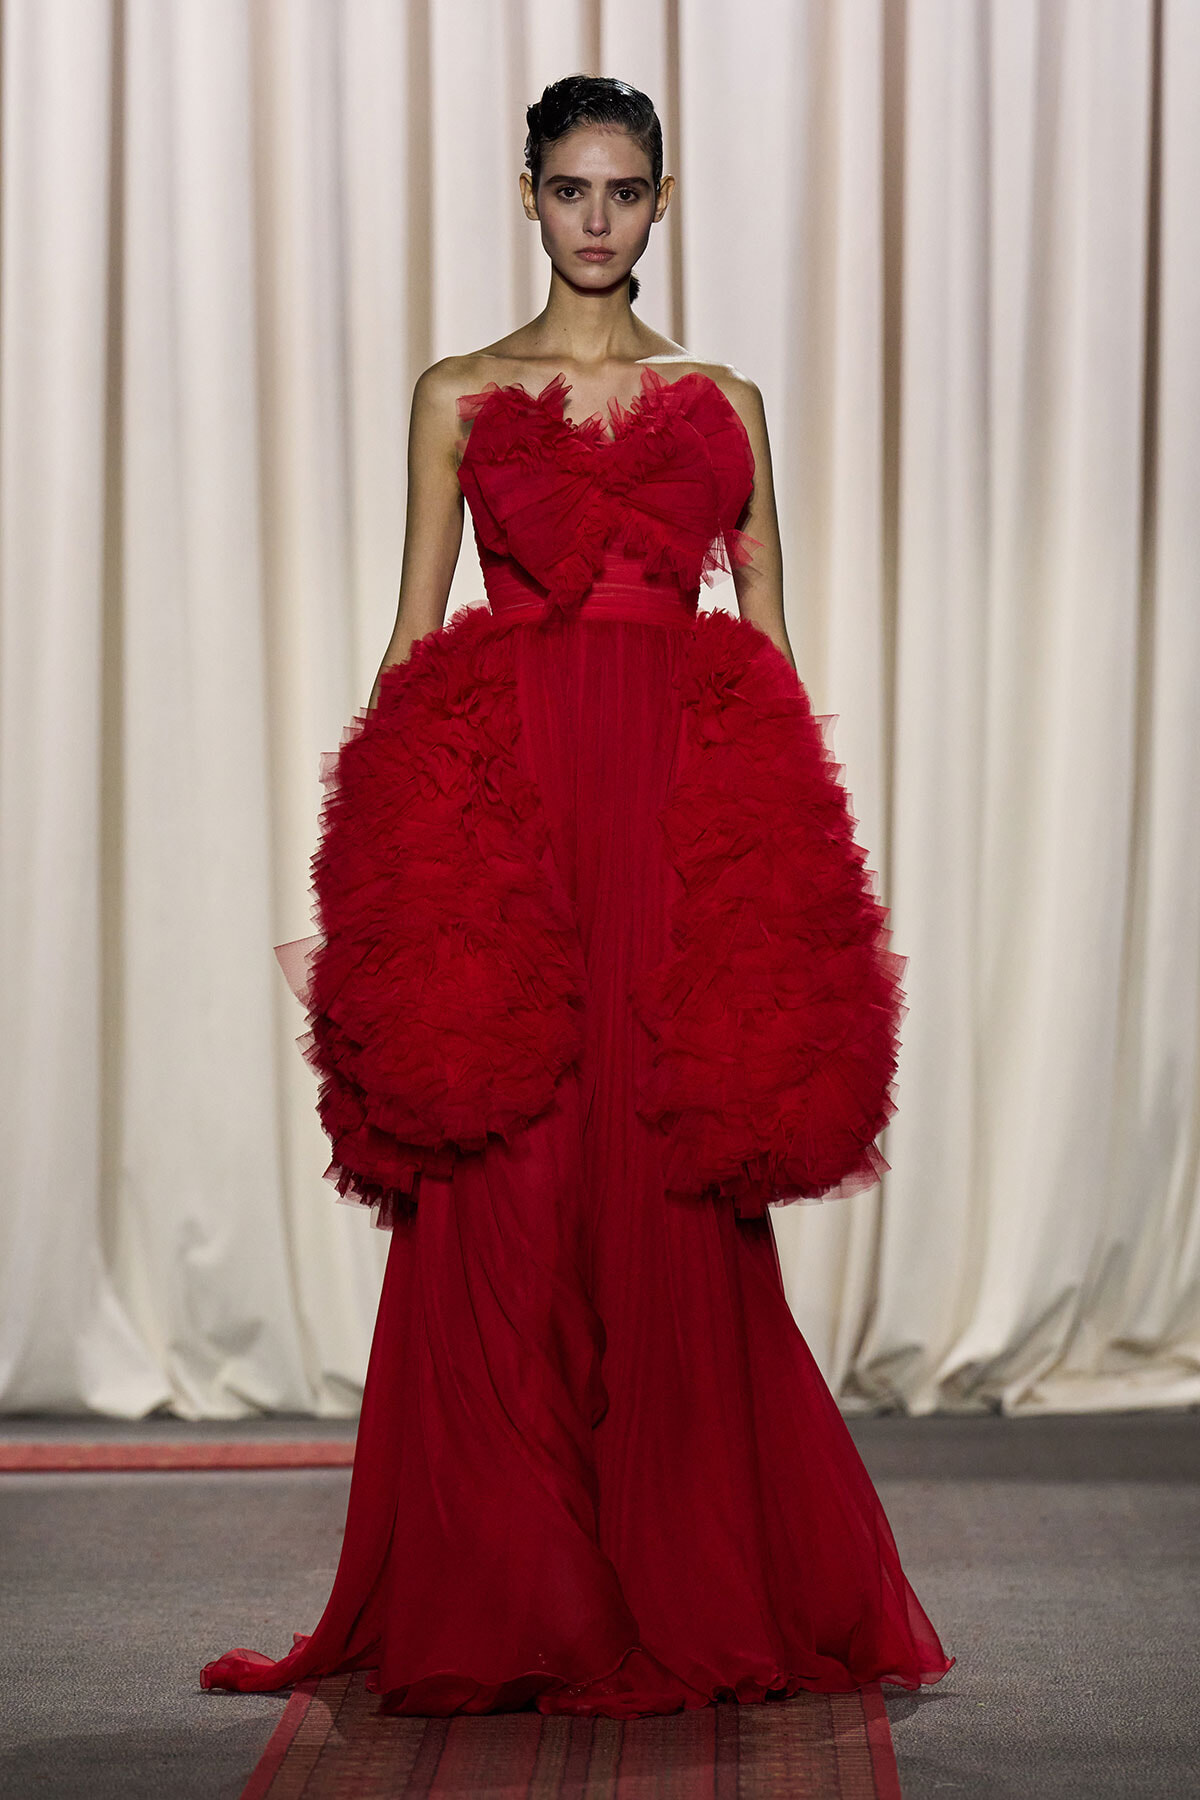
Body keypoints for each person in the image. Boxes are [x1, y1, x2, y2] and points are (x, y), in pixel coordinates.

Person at [202, 73, 954, 1718]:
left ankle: (690, 1579)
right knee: (507, 1194)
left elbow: (769, 649)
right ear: (527, 197)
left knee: (678, 1195)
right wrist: (373, 896)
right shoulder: (460, 394)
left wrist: (797, 897)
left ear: (662, 203)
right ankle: (512, 1596)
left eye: (623, 191)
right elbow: (410, 636)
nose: (595, 218)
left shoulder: (729, 402)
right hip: (512, 825)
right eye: (569, 190)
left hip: (681, 822)